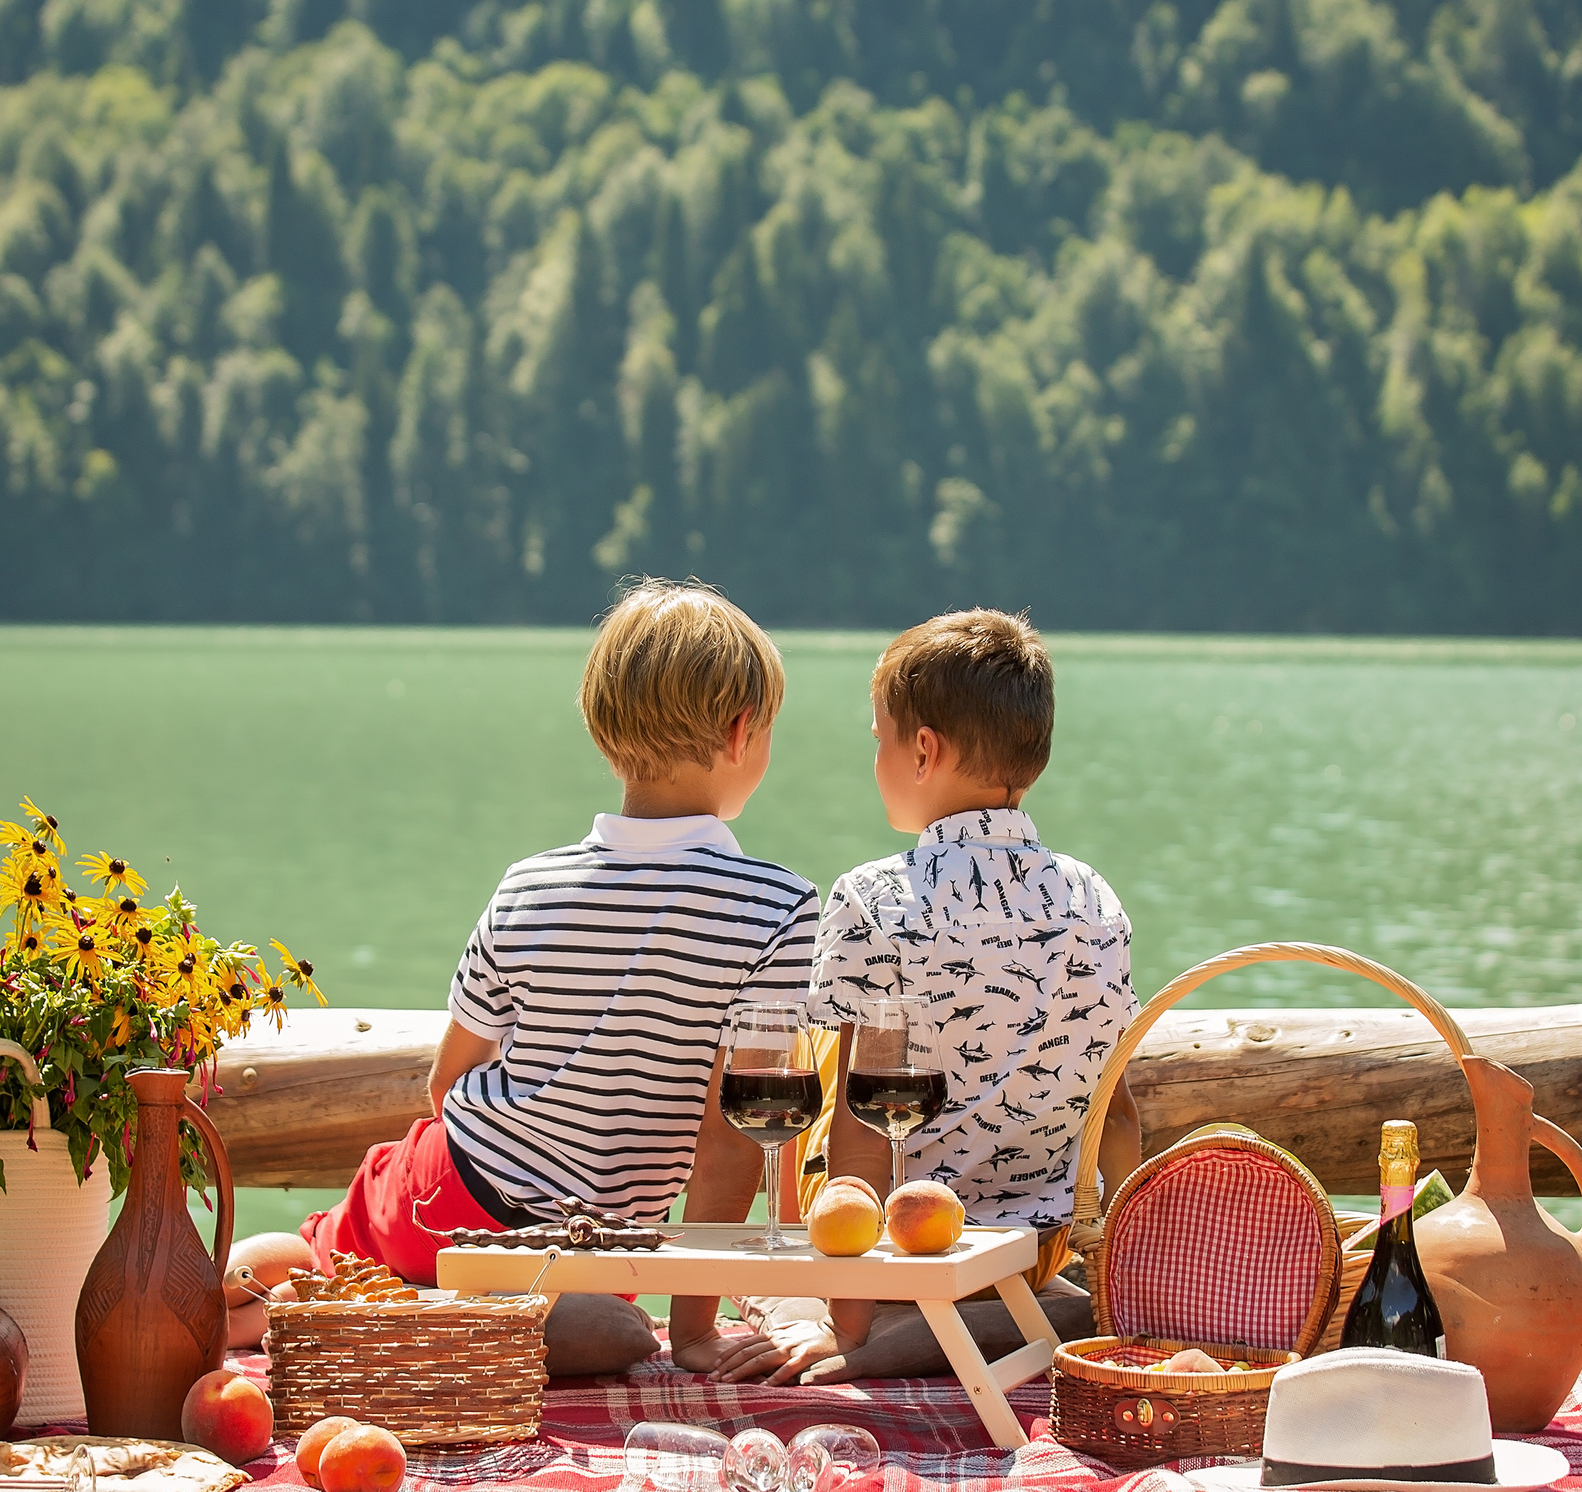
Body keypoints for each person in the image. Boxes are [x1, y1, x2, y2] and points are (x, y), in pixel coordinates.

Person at [303, 579, 817, 1375]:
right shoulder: (778, 909)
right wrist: (693, 1331)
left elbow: (449, 1079)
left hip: (445, 1192)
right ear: (742, 731)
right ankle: (441, 1313)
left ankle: (315, 1289)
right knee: (612, 1335)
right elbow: (730, 1142)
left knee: (320, 1258)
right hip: (591, 1247)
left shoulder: (528, 884)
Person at [706, 608, 1143, 1384]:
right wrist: (1116, 1266)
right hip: (1035, 1249)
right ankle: (1053, 1307)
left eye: (878, 739)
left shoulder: (873, 898)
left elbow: (863, 1128)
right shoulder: (1097, 898)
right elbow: (1121, 1107)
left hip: (913, 1248)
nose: (873, 758)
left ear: (923, 750)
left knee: (810, 1070)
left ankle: (893, 1323)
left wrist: (853, 1336)